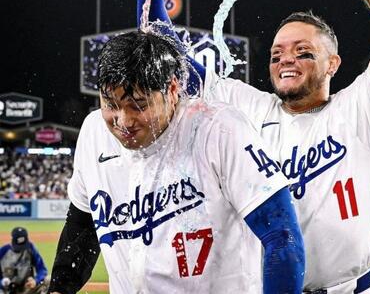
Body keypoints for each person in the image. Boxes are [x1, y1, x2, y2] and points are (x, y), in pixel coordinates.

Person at [130, 0, 370, 293]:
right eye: (276, 53)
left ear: (332, 64)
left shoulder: (362, 109)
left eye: (303, 52)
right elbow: (175, 67)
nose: (286, 59)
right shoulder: (246, 109)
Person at [48, 30, 305, 293]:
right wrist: (60, 288)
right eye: (110, 104)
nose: (123, 121)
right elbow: (82, 225)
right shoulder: (94, 132)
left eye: (138, 104)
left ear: (171, 89)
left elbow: (282, 238)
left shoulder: (219, 129)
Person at [0, 227, 48, 294]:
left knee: (48, 281)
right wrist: (2, 282)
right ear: (12, 241)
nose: (21, 249)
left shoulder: (30, 248)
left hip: (26, 288)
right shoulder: (3, 252)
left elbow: (42, 270)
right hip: (6, 290)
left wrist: (35, 280)